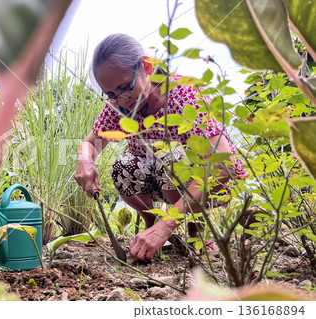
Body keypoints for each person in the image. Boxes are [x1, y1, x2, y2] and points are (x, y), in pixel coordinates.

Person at [74, 34, 246, 262]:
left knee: (169, 155)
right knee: (124, 165)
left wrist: (169, 223)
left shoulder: (183, 95)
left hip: (210, 185)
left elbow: (223, 167)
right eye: (112, 95)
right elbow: (90, 143)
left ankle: (195, 230)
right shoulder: (120, 106)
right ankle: (151, 224)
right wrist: (85, 159)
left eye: (125, 87)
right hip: (162, 181)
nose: (122, 100)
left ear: (146, 66)